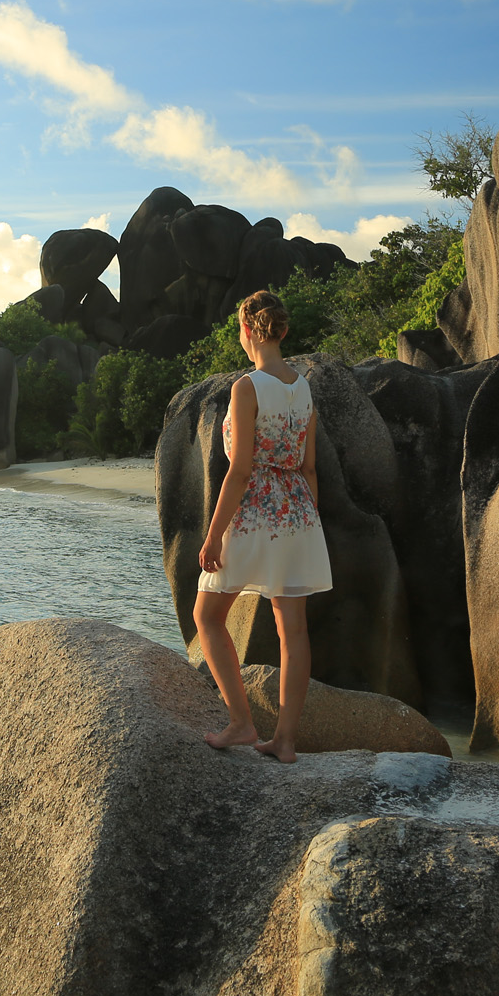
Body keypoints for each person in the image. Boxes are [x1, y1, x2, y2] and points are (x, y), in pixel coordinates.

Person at [194, 290, 332, 763]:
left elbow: (240, 470)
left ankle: (241, 722)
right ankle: (285, 742)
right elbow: (309, 467)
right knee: (293, 631)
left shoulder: (247, 387)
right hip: (298, 512)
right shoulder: (304, 388)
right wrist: (306, 525)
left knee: (207, 616)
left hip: (254, 510)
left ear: (247, 330)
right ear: (282, 330)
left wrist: (214, 534)